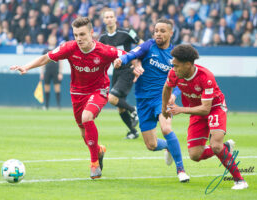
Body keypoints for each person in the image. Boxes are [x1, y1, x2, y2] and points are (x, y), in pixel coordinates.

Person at [10, 17, 126, 179]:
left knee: (87, 117)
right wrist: (26, 67)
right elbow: (46, 58)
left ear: (92, 33)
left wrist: (134, 65)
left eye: (83, 34)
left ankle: (94, 164)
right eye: (76, 35)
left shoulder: (105, 50)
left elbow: (129, 55)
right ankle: (98, 150)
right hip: (77, 93)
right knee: (83, 132)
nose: (79, 38)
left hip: (99, 90)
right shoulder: (69, 48)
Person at [162, 44, 248, 190]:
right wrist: (164, 108)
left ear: (188, 64)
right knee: (195, 156)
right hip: (196, 111)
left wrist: (181, 109)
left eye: (177, 66)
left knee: (215, 146)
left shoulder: (205, 77)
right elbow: (167, 88)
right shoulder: (174, 73)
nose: (174, 69)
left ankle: (240, 181)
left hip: (214, 108)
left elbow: (205, 109)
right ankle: (225, 147)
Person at [114, 18, 190, 182]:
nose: (158, 34)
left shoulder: (175, 55)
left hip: (161, 99)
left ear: (171, 33)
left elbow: (181, 81)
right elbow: (132, 54)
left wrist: (173, 95)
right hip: (142, 101)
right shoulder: (148, 45)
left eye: (162, 31)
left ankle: (181, 170)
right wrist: (122, 60)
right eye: (156, 31)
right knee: (151, 145)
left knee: (166, 128)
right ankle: (169, 147)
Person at [99, 8, 143, 139]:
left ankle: (134, 110)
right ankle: (133, 131)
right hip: (116, 71)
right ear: (103, 20)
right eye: (106, 17)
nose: (109, 19)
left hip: (128, 69)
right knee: (119, 106)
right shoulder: (103, 38)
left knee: (111, 98)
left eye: (111, 16)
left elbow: (143, 44)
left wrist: (139, 62)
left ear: (115, 18)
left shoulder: (127, 31)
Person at [40, 35, 63, 109]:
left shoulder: (58, 49)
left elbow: (61, 61)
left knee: (57, 88)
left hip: (56, 71)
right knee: (46, 88)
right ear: (48, 40)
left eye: (54, 39)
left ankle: (59, 106)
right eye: (51, 39)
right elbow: (42, 62)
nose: (52, 40)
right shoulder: (45, 50)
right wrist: (42, 73)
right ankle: (46, 106)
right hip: (47, 71)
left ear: (56, 40)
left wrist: (60, 73)